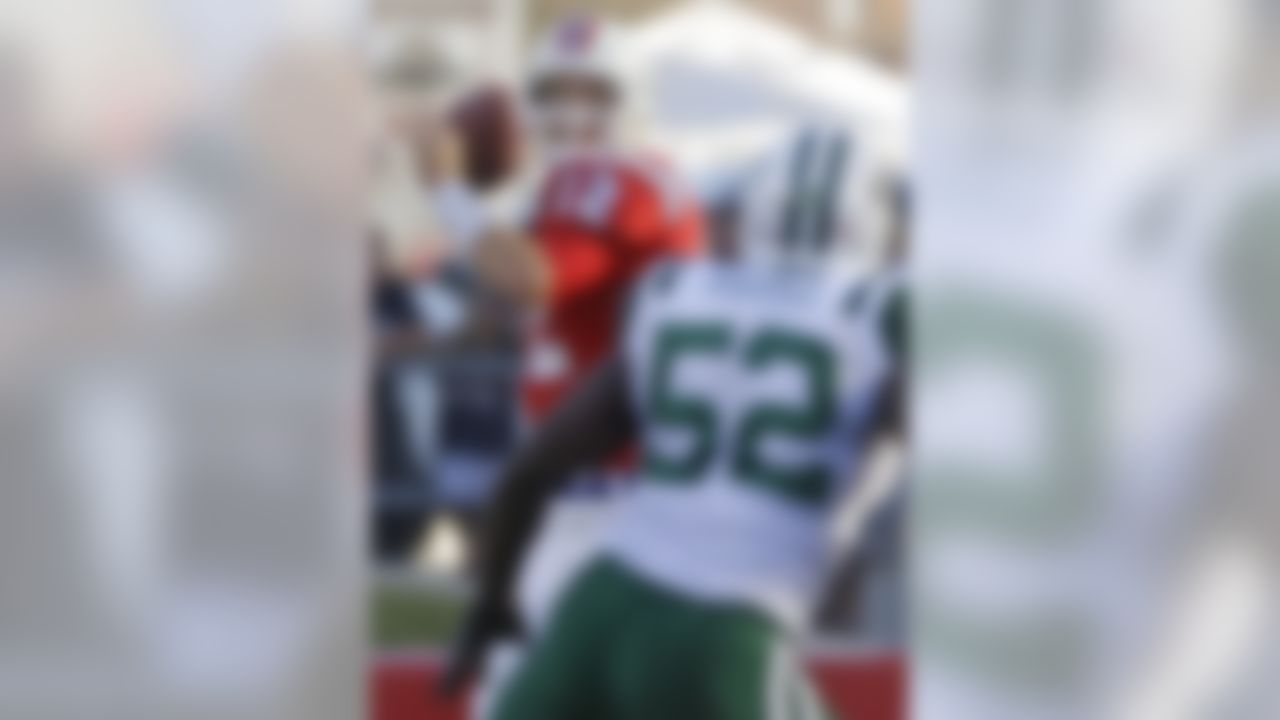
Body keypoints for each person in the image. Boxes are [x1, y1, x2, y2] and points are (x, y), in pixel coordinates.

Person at [443, 124, 904, 719]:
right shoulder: (881, 316)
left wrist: (492, 604)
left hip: (601, 608)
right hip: (727, 629)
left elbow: (531, 468)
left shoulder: (677, 294)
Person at [415, 14, 705, 716]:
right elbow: (514, 313)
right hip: (613, 490)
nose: (572, 113)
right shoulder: (589, 186)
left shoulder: (614, 178)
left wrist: (448, 192)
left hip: (607, 491)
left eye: (594, 94)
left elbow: (536, 280)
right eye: (556, 93)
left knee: (514, 697)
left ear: (632, 101)